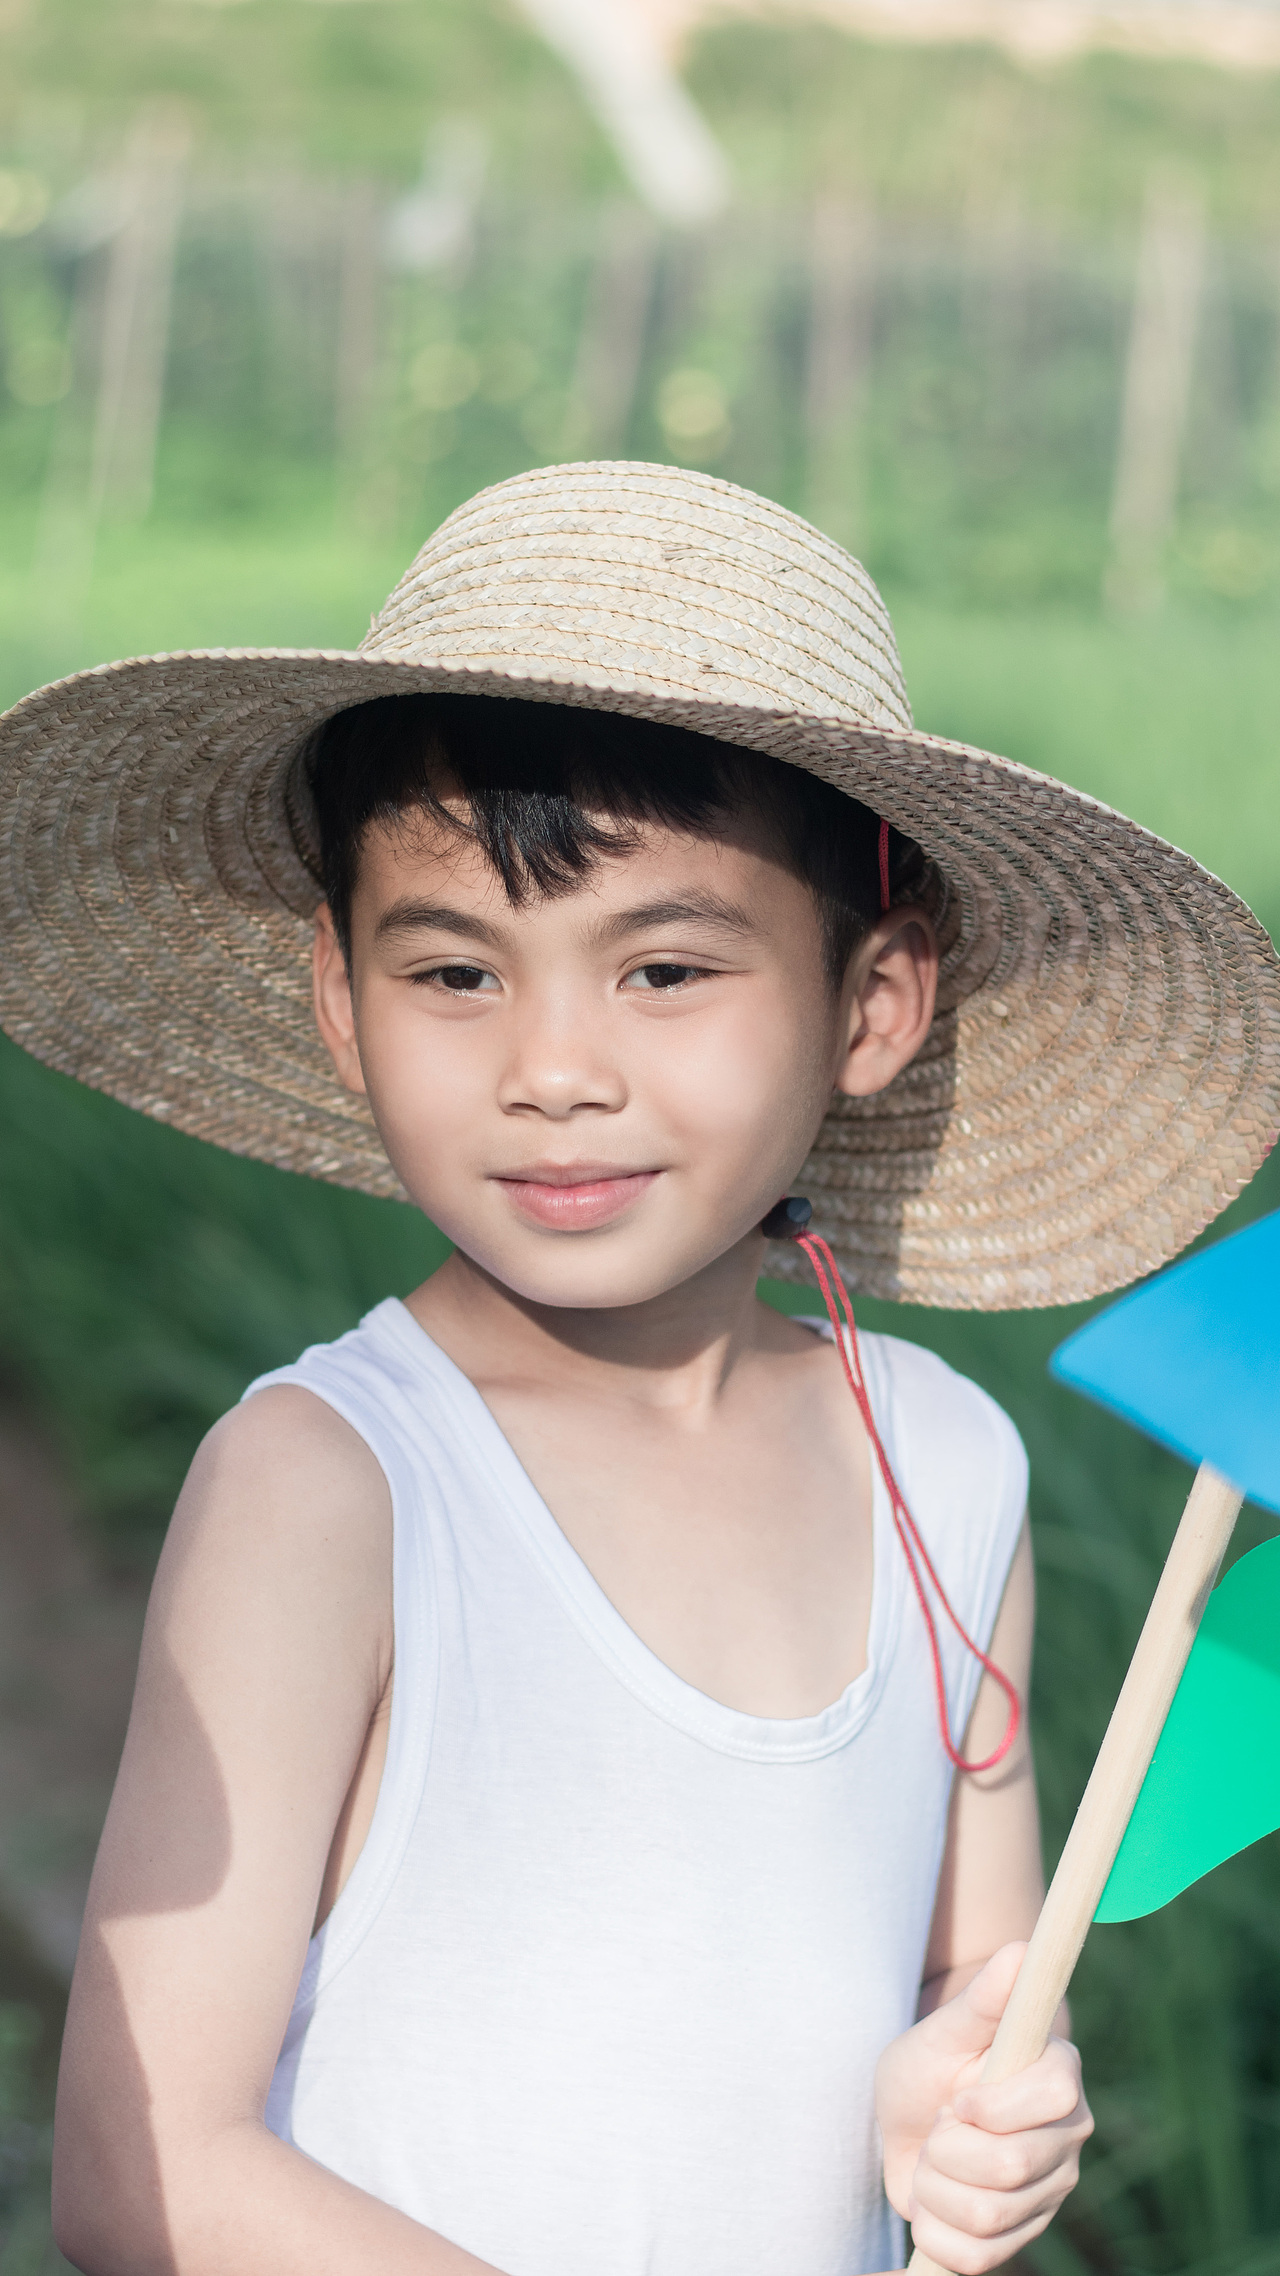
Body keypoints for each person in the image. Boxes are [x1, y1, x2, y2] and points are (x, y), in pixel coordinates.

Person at [2, 462, 1276, 2276]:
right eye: (456, 974)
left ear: (872, 1006)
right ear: (340, 1000)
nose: (554, 1068)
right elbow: (147, 2171)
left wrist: (966, 2106)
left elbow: (968, 1983)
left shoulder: (944, 1463)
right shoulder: (331, 1480)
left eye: (664, 970)